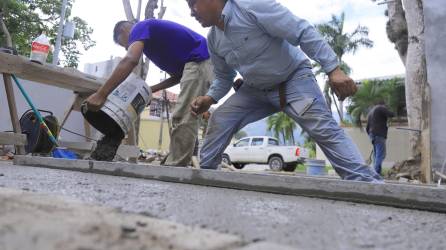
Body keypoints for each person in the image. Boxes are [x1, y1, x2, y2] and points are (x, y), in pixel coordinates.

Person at [186, 0, 383, 182]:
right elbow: (223, 77)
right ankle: (207, 177)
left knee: (323, 128)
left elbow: (301, 30)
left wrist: (334, 69)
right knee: (219, 119)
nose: (191, 11)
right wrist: (209, 98)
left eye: (193, 2)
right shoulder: (213, 39)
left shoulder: (251, 6)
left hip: (292, 81)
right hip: (254, 90)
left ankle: (367, 185)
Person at [85, 19, 213, 166]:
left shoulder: (140, 27)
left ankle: (175, 168)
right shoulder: (153, 45)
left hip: (201, 61)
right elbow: (178, 76)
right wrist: (150, 91)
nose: (128, 47)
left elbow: (130, 60)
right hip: (200, 63)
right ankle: (175, 161)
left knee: (184, 115)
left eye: (125, 44)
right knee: (182, 116)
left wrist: (101, 94)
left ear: (124, 31)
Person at [366, 102, 395, 175]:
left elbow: (367, 128)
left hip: (372, 135)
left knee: (376, 155)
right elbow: (391, 114)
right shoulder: (380, 108)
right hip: (379, 134)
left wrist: (372, 136)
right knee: (381, 155)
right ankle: (376, 173)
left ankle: (376, 172)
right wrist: (393, 112)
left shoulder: (370, 112)